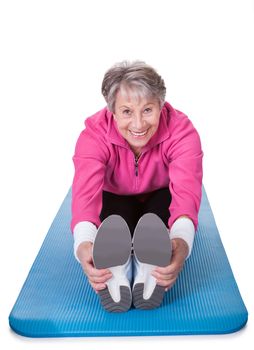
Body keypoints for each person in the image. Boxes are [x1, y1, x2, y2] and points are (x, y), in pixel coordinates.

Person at [71, 60, 203, 311]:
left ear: (161, 106)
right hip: (115, 196)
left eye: (147, 110)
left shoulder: (182, 131)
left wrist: (182, 244)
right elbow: (85, 195)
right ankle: (116, 269)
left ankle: (149, 267)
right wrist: (83, 245)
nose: (139, 125)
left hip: (161, 194)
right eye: (127, 111)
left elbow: (186, 193)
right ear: (112, 111)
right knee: (116, 224)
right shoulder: (94, 134)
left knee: (155, 222)